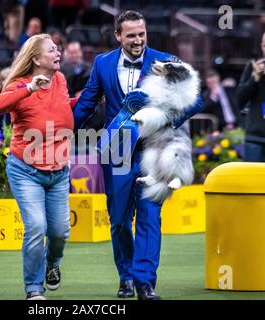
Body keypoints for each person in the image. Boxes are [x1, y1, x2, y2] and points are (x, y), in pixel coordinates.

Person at [73, 10, 202, 300]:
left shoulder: (166, 62)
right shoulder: (102, 63)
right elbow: (86, 104)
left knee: (149, 217)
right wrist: (62, 131)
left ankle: (145, 283)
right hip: (116, 151)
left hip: (154, 151)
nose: (138, 40)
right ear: (118, 35)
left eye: (141, 34)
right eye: (131, 35)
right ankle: (126, 275)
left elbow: (196, 101)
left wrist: (166, 117)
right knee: (118, 220)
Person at [0, 34, 77, 300]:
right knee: (37, 227)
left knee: (60, 231)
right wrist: (29, 87)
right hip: (25, 170)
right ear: (37, 59)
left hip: (59, 171)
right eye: (52, 50)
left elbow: (60, 109)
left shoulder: (61, 80)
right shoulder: (19, 85)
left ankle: (52, 265)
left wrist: (81, 101)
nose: (58, 52)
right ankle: (34, 289)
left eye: (57, 48)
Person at [237, 32, 265, 162]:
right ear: (261, 46)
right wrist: (255, 79)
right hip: (255, 138)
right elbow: (240, 100)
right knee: (252, 180)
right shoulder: (253, 66)